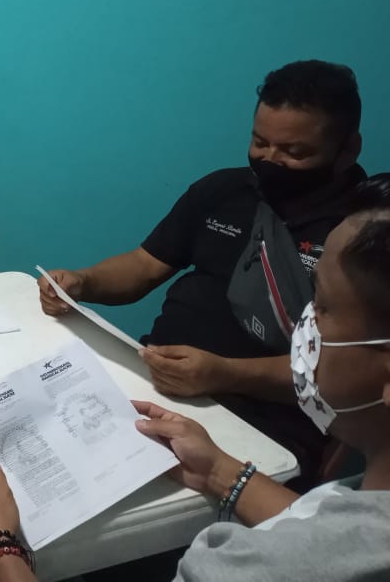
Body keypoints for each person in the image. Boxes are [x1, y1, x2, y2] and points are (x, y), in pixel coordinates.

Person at [0, 173, 390, 582]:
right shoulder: (360, 509)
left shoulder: (246, 565)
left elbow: (317, 550)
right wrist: (220, 471)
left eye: (323, 307)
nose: (304, 326)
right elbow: (319, 528)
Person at [37, 60, 365, 476]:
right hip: (155, 380)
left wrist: (223, 375)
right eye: (260, 142)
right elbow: (143, 265)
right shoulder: (223, 190)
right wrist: (83, 281)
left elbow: (348, 371)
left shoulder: (365, 233)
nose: (270, 159)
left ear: (347, 149)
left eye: (295, 152)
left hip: (265, 422)